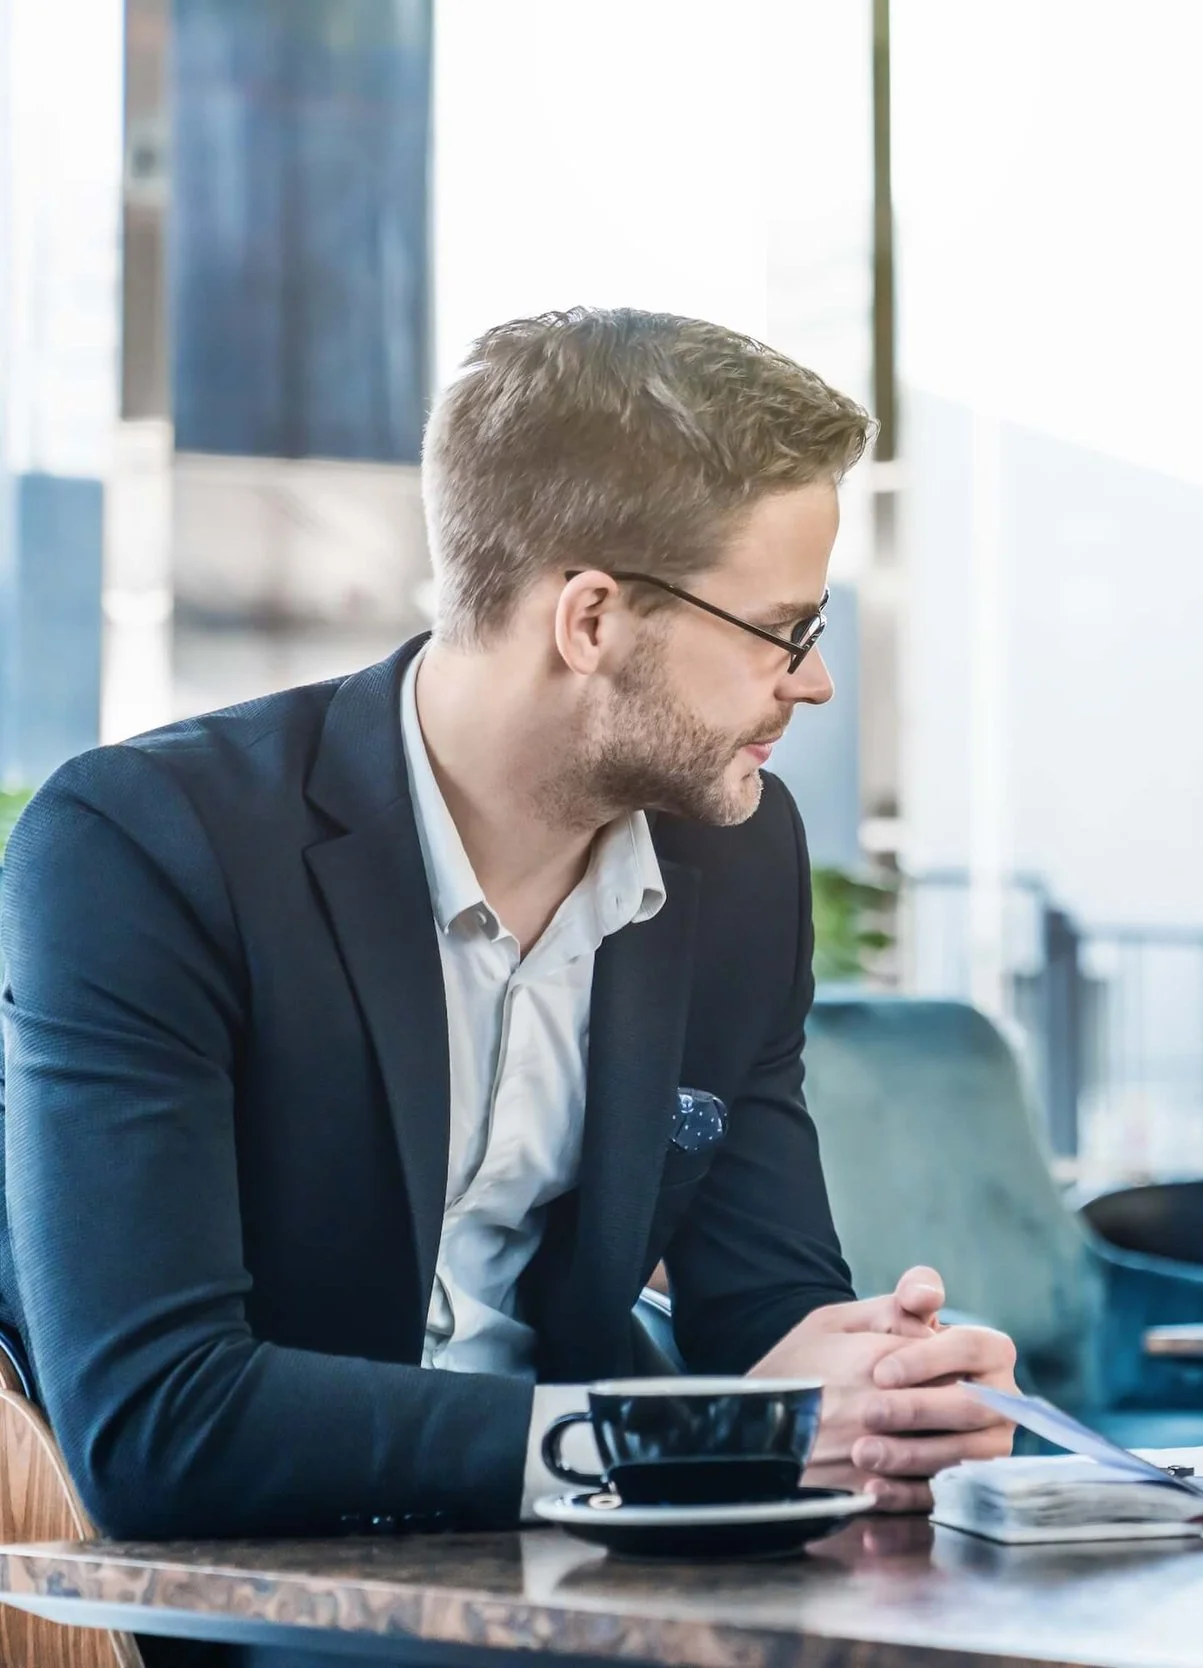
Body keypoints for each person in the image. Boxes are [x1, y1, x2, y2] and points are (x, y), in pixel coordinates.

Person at [0, 308, 1015, 1539]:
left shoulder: (739, 855)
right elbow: (158, 1421)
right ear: (588, 620)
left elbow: (765, 1302)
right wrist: (646, 1445)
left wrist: (881, 1386)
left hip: (580, 1559)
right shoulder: (144, 847)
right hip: (252, 1574)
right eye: (781, 630)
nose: (813, 679)